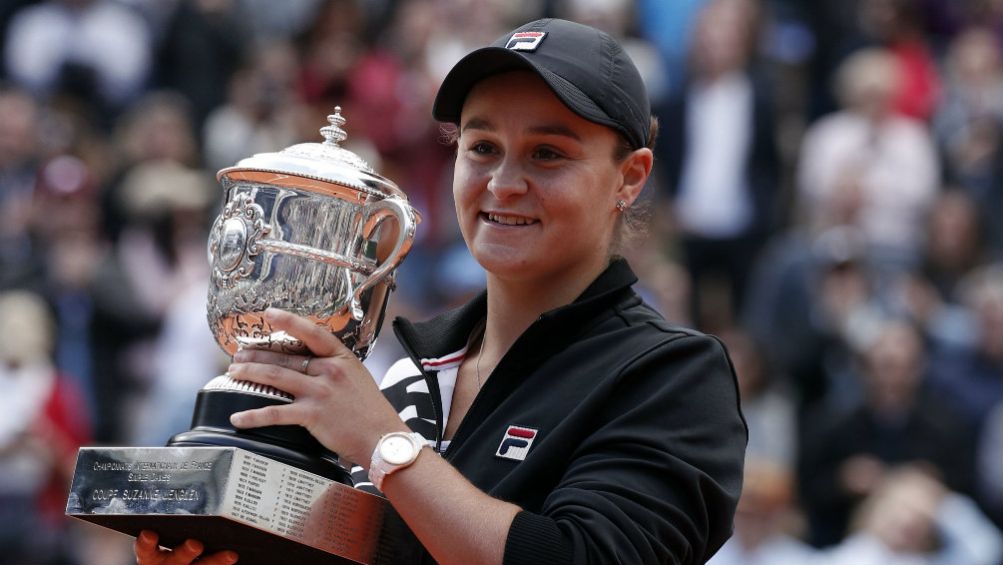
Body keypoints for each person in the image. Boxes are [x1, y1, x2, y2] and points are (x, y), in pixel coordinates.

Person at [135, 18, 747, 565]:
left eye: (547, 153)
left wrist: (385, 446)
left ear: (629, 177)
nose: (504, 183)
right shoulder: (409, 377)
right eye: (482, 148)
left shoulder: (672, 376)